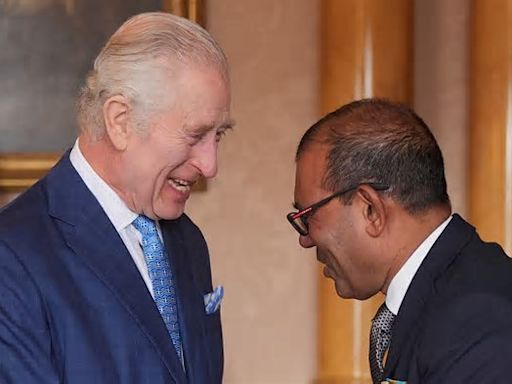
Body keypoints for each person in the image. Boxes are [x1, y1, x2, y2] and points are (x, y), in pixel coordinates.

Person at [0, 12, 231, 384]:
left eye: (218, 136)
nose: (210, 165)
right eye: (195, 136)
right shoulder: (11, 256)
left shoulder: (188, 240)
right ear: (120, 121)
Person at [287, 98, 512, 383]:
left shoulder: (478, 320)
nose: (305, 240)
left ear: (370, 210)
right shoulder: (451, 295)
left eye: (307, 216)